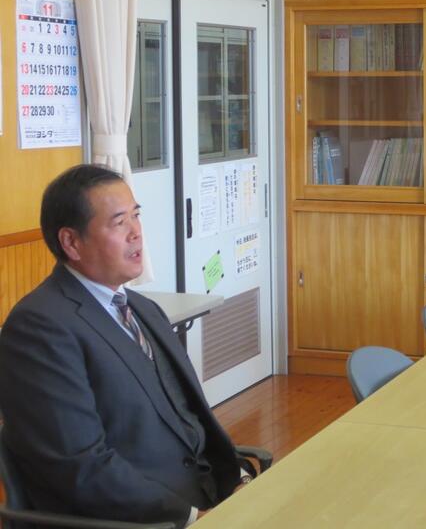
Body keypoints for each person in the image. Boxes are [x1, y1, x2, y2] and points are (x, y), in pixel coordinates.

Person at [0, 165, 250, 527]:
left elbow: (189, 419)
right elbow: (81, 467)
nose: (136, 233)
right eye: (119, 222)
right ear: (71, 242)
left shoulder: (143, 309)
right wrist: (192, 517)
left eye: (136, 216)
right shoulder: (39, 328)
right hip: (145, 519)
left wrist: (238, 479)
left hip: (207, 493)